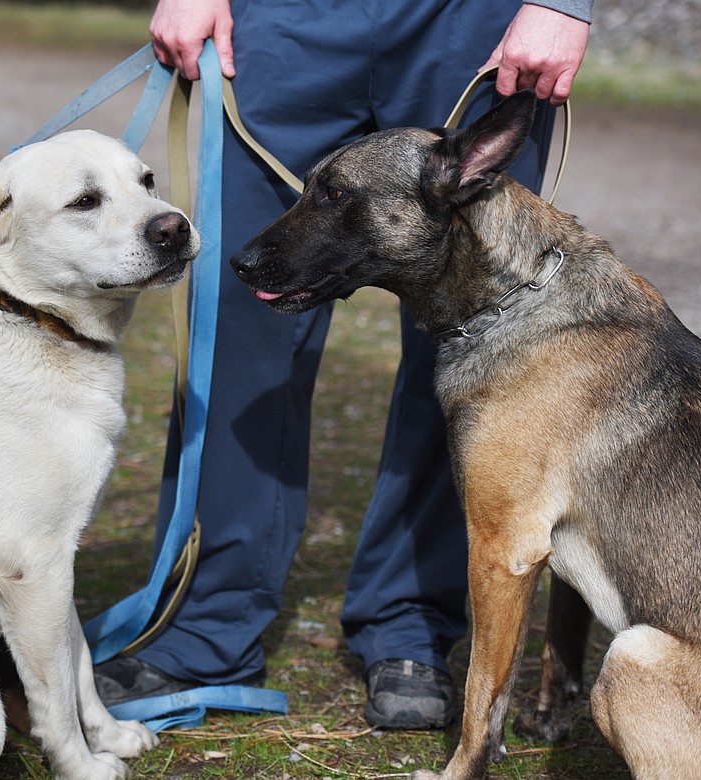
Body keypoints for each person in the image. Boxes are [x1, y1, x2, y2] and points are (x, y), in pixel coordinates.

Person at [95, 0, 591, 729]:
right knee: (244, 311)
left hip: (469, 23)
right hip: (286, 25)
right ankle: (207, 622)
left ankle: (411, 623)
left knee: (464, 338)